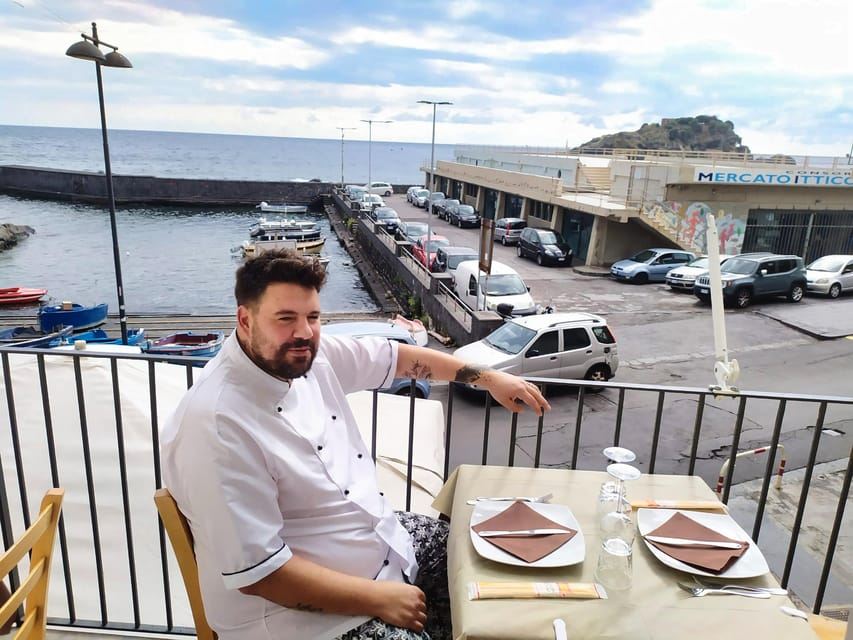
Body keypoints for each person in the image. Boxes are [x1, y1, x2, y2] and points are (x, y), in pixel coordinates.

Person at [160, 249, 550, 640]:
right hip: (298, 620)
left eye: (313, 317)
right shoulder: (217, 424)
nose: (304, 332)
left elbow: (397, 358)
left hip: (371, 543)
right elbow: (262, 574)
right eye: (285, 318)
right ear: (245, 320)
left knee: (474, 556)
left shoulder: (305, 356)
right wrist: (378, 598)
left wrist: (489, 379)